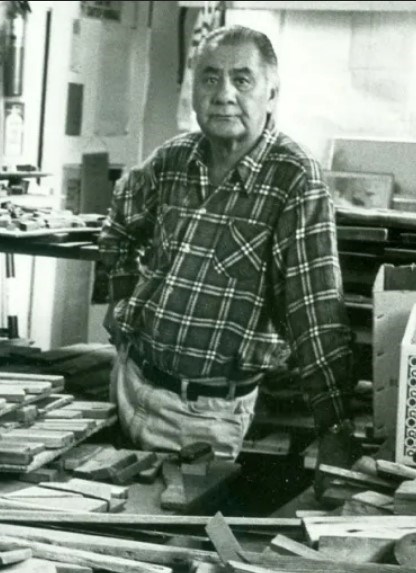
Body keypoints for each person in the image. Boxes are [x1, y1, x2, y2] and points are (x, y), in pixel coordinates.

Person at [99, 25, 359, 492]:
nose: (223, 95)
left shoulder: (295, 179)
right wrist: (121, 311)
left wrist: (334, 429)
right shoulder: (173, 159)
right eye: (210, 78)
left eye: (242, 81)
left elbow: (315, 315)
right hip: (130, 385)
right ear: (194, 88)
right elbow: (119, 226)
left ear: (272, 93)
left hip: (207, 418)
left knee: (164, 540)